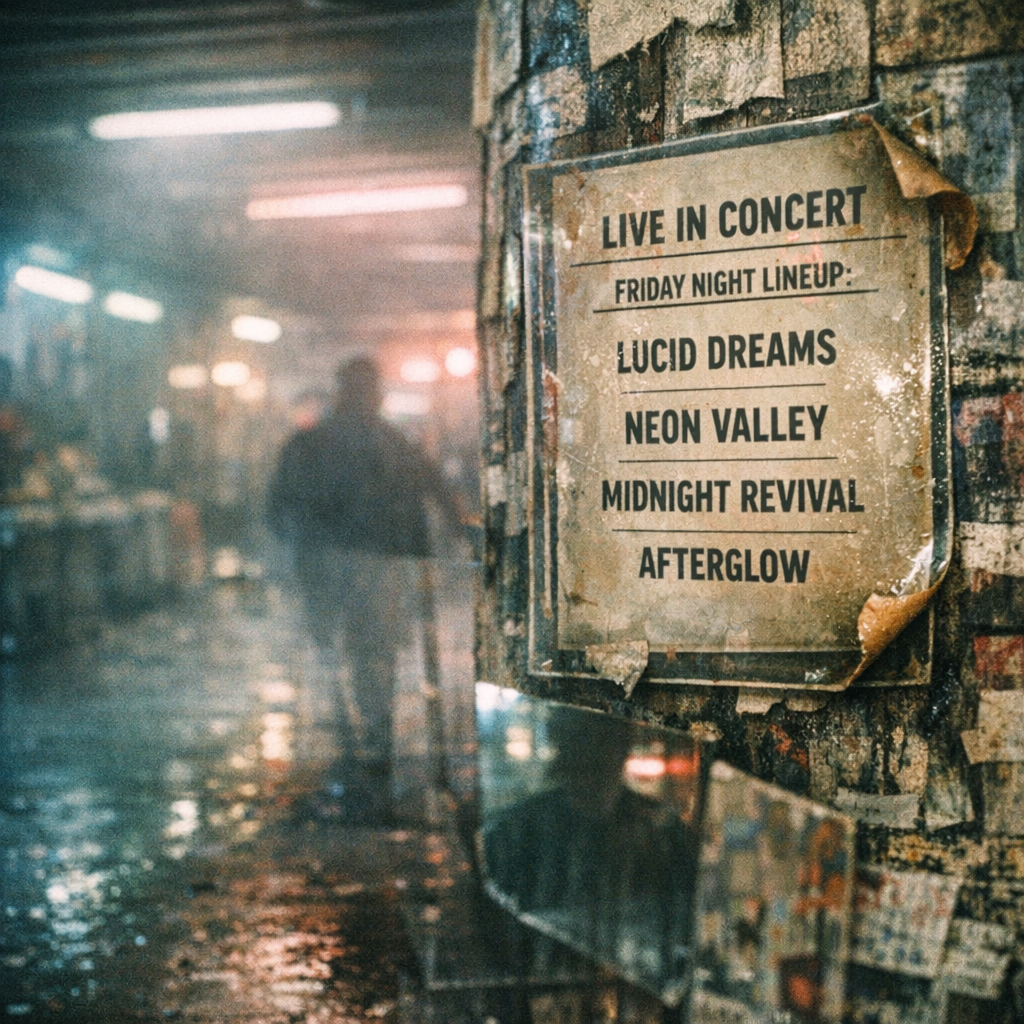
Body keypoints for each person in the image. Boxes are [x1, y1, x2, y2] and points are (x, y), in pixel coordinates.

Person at [268, 356, 463, 816]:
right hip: (381, 566)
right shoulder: (394, 443)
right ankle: (373, 741)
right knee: (374, 655)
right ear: (375, 395)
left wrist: (300, 554)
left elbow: (276, 510)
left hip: (327, 564)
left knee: (331, 654)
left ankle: (345, 741)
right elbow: (437, 490)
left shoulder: (307, 444)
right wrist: (453, 534)